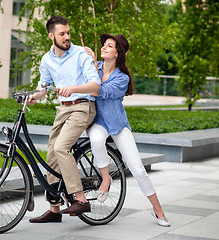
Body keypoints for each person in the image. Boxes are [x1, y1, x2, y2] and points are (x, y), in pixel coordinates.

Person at [84, 33, 170, 227]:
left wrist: (91, 64)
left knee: (138, 170)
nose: (104, 48)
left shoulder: (121, 78)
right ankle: (105, 178)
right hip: (97, 122)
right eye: (104, 45)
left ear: (117, 53)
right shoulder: (94, 67)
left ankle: (158, 210)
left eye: (109, 46)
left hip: (118, 124)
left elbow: (99, 91)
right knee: (96, 140)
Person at [27, 16, 101, 223]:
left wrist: (73, 89)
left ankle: (81, 199)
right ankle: (54, 209)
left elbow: (95, 85)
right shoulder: (47, 59)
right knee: (52, 154)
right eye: (62, 34)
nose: (67, 37)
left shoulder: (81, 54)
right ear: (51, 36)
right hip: (63, 110)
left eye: (68, 33)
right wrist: (35, 96)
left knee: (61, 148)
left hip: (83, 107)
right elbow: (44, 86)